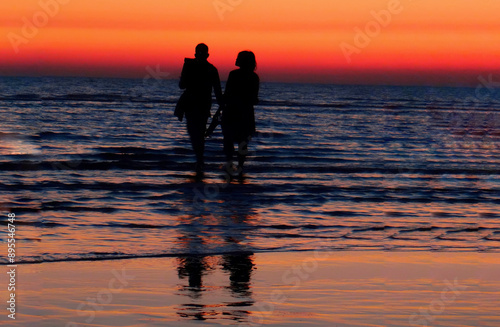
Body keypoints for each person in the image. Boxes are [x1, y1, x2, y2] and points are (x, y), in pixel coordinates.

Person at [179, 43, 223, 173]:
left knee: (195, 133)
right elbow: (218, 91)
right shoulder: (212, 69)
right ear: (207, 55)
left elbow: (182, 85)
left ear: (195, 54)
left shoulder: (190, 66)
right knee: (198, 133)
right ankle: (200, 160)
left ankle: (200, 161)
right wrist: (221, 104)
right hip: (201, 105)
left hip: (194, 104)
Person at [222, 51, 260, 176]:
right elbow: (254, 98)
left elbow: (227, 94)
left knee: (229, 141)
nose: (236, 59)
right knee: (243, 143)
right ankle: (240, 168)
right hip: (246, 113)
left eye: (238, 57)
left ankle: (229, 165)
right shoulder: (254, 77)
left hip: (232, 111)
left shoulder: (233, 74)